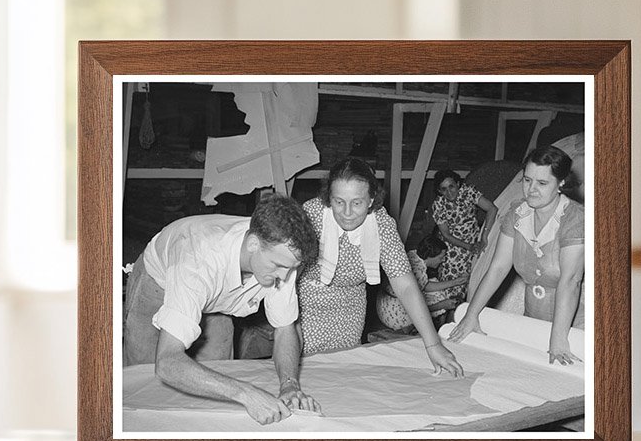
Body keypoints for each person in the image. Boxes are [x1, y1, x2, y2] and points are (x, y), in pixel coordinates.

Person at [122, 195, 321, 424]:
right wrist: (248, 394)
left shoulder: (280, 254)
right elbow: (167, 363)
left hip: (216, 293)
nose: (284, 278)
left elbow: (285, 329)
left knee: (218, 382)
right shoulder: (197, 262)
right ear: (253, 244)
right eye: (278, 267)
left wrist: (289, 385)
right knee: (142, 384)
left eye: (291, 269)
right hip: (160, 281)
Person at [297, 157, 463, 377]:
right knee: (308, 373)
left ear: (371, 199)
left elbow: (405, 286)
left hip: (350, 308)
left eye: (357, 202)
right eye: (338, 202)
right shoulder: (312, 215)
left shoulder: (382, 225)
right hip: (307, 304)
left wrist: (433, 345)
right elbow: (286, 269)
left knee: (342, 373)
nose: (346, 212)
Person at [448, 145, 585, 366]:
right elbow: (498, 268)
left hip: (575, 327)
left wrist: (559, 340)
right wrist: (471, 315)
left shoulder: (575, 220)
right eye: (527, 180)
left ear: (561, 183)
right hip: (533, 321)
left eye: (542, 183)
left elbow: (570, 281)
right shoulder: (517, 214)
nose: (531, 189)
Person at [430, 169, 498, 300]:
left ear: (457, 183)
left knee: (474, 283)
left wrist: (484, 236)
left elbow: (492, 209)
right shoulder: (438, 205)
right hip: (452, 248)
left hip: (475, 242)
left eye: (451, 186)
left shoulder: (468, 192)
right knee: (450, 288)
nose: (449, 192)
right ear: (439, 191)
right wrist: (468, 247)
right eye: (444, 189)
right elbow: (446, 235)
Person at [375, 230, 461, 332]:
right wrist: (442, 305)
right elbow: (415, 307)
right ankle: (434, 332)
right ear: (430, 256)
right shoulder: (418, 271)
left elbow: (425, 285)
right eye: (441, 258)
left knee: (436, 286)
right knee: (441, 299)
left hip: (383, 305)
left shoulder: (413, 255)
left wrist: (455, 282)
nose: (442, 261)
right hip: (395, 315)